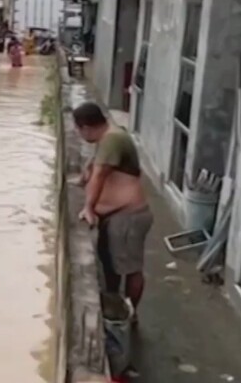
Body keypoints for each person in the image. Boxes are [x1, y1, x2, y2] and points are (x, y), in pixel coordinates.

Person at [72, 101, 152, 325]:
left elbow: (99, 174)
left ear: (86, 127)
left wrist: (88, 207)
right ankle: (114, 304)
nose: (78, 134)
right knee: (111, 265)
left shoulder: (113, 139)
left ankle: (130, 314)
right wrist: (82, 179)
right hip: (116, 216)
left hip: (129, 216)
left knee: (130, 268)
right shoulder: (107, 138)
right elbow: (93, 167)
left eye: (78, 129)